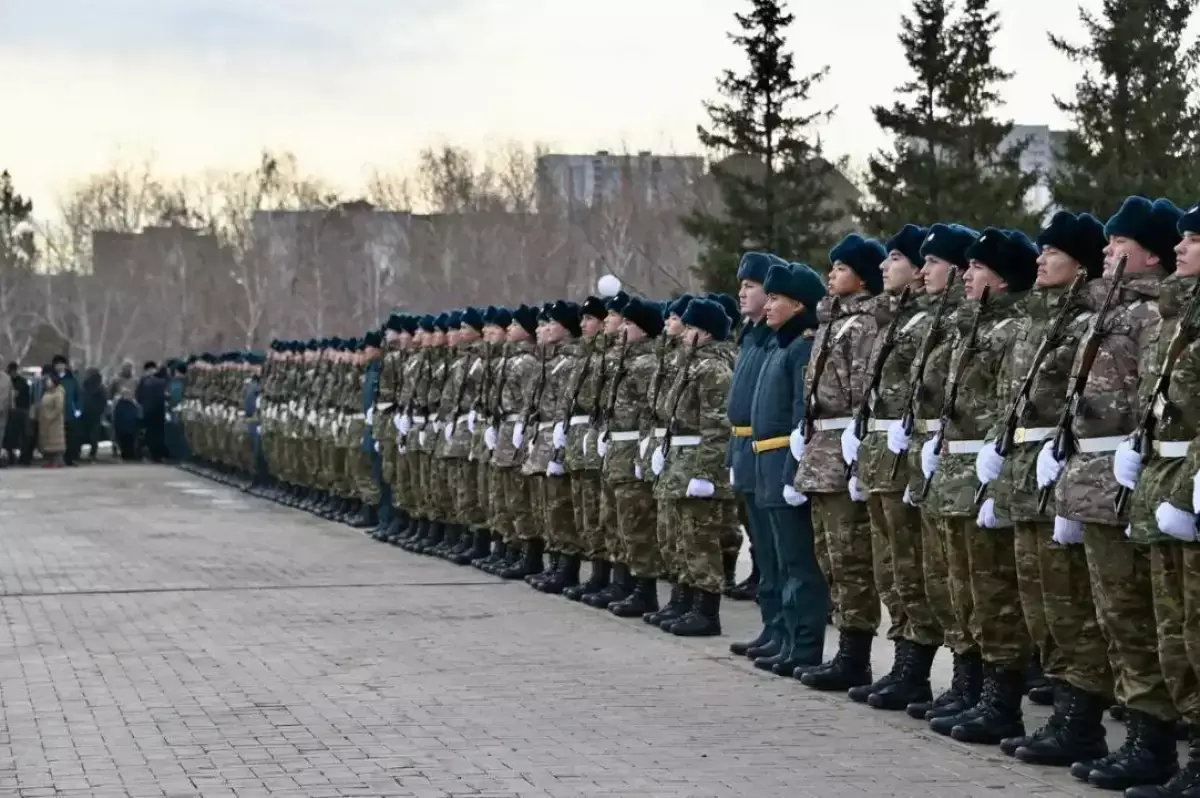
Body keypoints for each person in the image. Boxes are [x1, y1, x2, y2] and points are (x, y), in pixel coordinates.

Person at [1040, 196, 1184, 791]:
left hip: (1132, 481)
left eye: (1119, 242)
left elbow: (1153, 403)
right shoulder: (1109, 310)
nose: (1107, 250)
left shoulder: (1151, 314)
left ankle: (1153, 743)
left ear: (1149, 254)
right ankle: (1129, 736)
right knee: (1110, 614)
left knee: (1138, 617)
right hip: (1095, 477)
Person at [795, 233, 888, 692]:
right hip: (822, 449)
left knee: (851, 558)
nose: (831, 275)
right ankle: (845, 651)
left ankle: (856, 656)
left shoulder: (864, 323)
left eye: (842, 268)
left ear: (863, 277)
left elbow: (862, 391)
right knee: (830, 556)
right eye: (832, 267)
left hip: (844, 450)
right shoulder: (833, 321)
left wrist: (857, 447)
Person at [749, 261, 829, 677]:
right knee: (780, 562)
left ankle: (804, 647)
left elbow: (802, 413)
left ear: (798, 304)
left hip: (786, 463)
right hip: (767, 464)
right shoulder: (780, 345)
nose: (767, 305)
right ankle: (785, 638)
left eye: (775, 298)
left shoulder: (800, 347)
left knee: (800, 565)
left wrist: (794, 471)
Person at [51, 355, 82, 465]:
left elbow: (78, 395)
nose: (59, 367)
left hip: (69, 412)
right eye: (57, 365)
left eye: (61, 364)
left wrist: (78, 409)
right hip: (56, 412)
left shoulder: (72, 379)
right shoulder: (52, 379)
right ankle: (58, 458)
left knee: (71, 436)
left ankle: (71, 458)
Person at [109, 361, 141, 461]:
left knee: (131, 430)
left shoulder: (136, 380)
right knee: (120, 430)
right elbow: (111, 393)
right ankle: (121, 449)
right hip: (120, 405)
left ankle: (130, 451)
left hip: (131, 405)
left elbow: (139, 393)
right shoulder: (116, 380)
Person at [137, 363, 168, 462]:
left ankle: (149, 453)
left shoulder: (144, 382)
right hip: (159, 411)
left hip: (147, 411)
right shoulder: (162, 382)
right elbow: (164, 397)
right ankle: (158, 455)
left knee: (149, 433)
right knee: (159, 434)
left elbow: (139, 395)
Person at [37, 373, 66, 467]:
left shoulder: (58, 393)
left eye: (49, 381)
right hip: (45, 421)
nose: (47, 382)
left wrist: (50, 417)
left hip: (54, 422)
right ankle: (50, 460)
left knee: (55, 443)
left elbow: (59, 408)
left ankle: (57, 461)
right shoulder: (47, 392)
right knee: (47, 442)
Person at [5, 362, 30, 465]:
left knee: (17, 435)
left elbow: (27, 396)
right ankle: (11, 456)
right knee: (11, 435)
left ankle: (21, 457)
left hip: (19, 409)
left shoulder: (21, 382)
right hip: (13, 410)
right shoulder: (10, 381)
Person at [81, 367, 106, 462]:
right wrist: (101, 410)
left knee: (83, 431)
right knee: (94, 433)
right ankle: (93, 452)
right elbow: (104, 400)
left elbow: (82, 396)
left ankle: (79, 451)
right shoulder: (100, 386)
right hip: (96, 413)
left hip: (86, 411)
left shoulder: (85, 384)